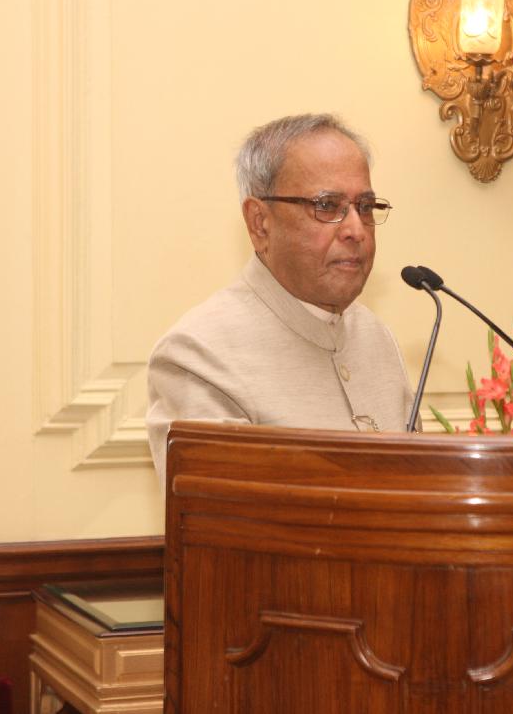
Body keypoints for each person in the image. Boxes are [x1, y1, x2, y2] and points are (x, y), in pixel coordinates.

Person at [146, 114, 415, 479]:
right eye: (327, 206)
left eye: (365, 208)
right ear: (260, 223)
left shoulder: (376, 336)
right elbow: (226, 512)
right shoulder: (198, 355)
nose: (356, 229)